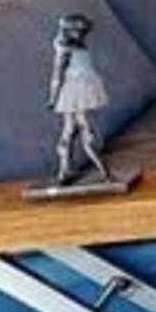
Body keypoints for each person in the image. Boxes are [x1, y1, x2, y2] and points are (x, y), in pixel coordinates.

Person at [35, 11, 126, 196]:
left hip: (78, 90)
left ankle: (70, 170)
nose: (82, 35)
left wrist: (54, 97)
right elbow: (57, 75)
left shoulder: (77, 47)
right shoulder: (65, 50)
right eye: (80, 31)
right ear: (71, 31)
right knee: (77, 129)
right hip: (73, 91)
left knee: (73, 129)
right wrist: (53, 98)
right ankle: (81, 170)